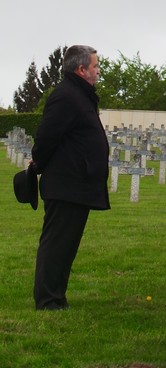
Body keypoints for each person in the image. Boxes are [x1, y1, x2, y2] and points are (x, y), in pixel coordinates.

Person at [32, 45, 110, 310]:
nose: (99, 71)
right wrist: (38, 163)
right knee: (57, 245)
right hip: (66, 185)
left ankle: (56, 296)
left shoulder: (80, 95)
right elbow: (46, 136)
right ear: (81, 69)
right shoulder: (66, 96)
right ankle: (47, 300)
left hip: (77, 185)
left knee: (66, 247)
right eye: (96, 66)